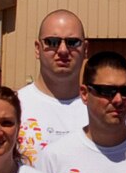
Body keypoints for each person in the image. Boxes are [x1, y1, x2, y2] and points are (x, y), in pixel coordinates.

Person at [13, 10, 89, 163]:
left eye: (72, 42)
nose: (62, 50)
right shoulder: (14, 106)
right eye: (52, 42)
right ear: (37, 48)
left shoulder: (100, 108)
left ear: (85, 49)